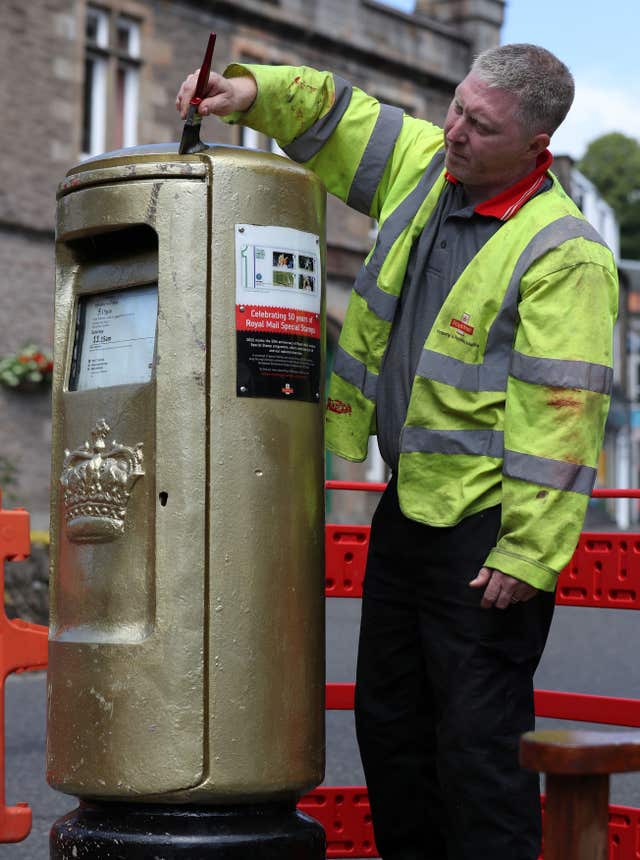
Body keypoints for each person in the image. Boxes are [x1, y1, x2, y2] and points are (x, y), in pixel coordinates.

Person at [177, 44, 618, 860]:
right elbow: (339, 113)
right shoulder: (426, 166)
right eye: (456, 107)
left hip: (488, 537)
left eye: (479, 127)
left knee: (479, 749)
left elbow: (563, 414)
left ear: (535, 144)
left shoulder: (566, 254)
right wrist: (247, 92)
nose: (453, 132)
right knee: (390, 728)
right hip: (413, 511)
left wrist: (530, 552)